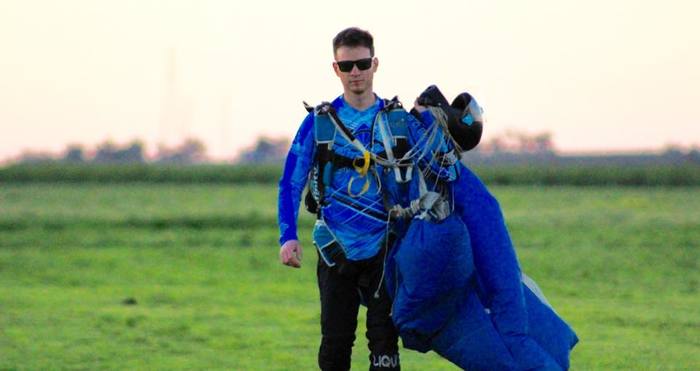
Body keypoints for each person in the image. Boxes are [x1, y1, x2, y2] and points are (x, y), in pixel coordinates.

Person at [277, 27, 407, 370]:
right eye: (346, 66)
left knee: (385, 344)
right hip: (336, 247)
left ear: (375, 64)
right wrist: (288, 237)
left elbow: (431, 173)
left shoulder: (397, 121)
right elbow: (290, 183)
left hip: (386, 247)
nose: (355, 73)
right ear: (335, 69)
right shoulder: (318, 124)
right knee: (335, 345)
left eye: (362, 63)